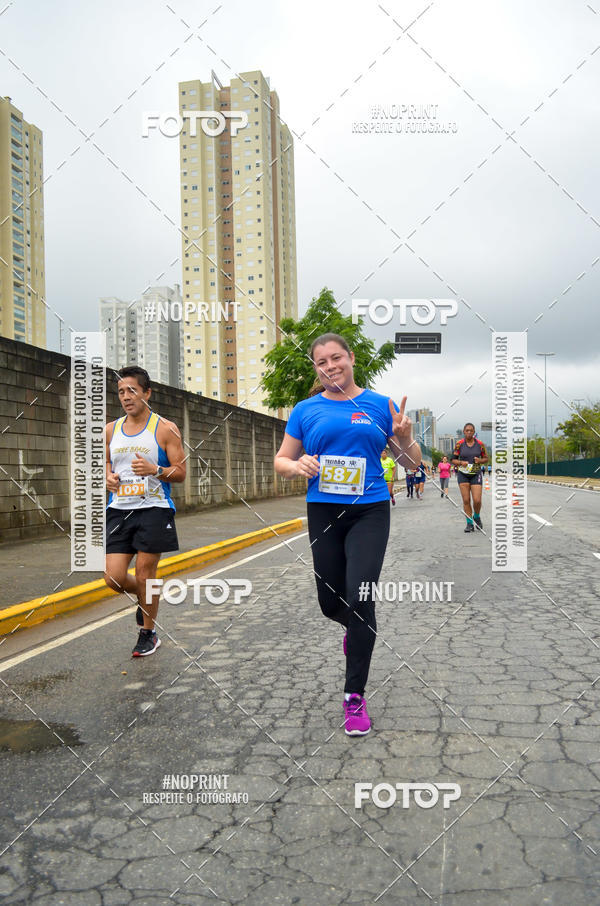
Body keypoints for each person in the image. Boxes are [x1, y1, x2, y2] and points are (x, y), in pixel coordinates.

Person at [274, 333, 420, 736]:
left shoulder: (380, 405)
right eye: (321, 362)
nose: (330, 366)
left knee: (361, 597)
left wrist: (405, 437)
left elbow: (410, 463)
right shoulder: (305, 409)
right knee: (329, 602)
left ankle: (354, 696)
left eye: (336, 358)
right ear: (316, 368)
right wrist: (297, 465)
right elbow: (281, 460)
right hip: (323, 510)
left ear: (351, 358)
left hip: (369, 510)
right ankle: (356, 630)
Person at [103, 366, 187, 656]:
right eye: (121, 392)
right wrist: (107, 478)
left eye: (132, 391)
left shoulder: (165, 428)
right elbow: (105, 464)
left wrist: (156, 470)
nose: (126, 397)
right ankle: (145, 596)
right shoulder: (111, 430)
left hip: (154, 508)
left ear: (147, 393)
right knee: (113, 578)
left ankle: (148, 632)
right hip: (119, 509)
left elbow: (181, 472)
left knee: (144, 572)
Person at [452, 423, 488, 532]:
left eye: (471, 430)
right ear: (464, 431)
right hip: (463, 474)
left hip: (476, 473)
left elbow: (486, 458)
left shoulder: (480, 444)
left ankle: (476, 516)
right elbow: (453, 459)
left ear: (474, 432)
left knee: (477, 500)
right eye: (467, 430)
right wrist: (460, 462)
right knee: (466, 500)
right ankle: (469, 523)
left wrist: (480, 460)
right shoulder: (459, 444)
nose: (469, 432)